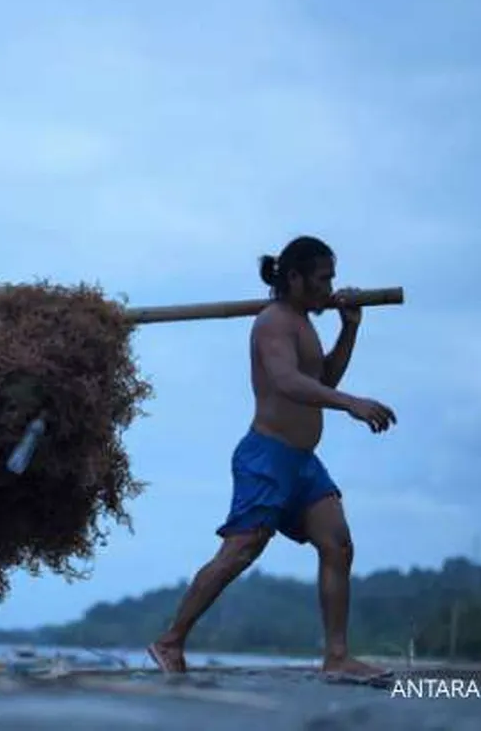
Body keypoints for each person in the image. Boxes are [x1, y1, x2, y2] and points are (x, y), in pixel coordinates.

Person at [148, 236, 397, 679]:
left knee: (337, 545)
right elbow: (286, 381)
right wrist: (352, 403)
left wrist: (351, 327)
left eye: (332, 279)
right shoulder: (272, 323)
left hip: (303, 463)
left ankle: (337, 659)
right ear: (295, 278)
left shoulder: (303, 321)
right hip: (266, 457)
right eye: (323, 279)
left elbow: (323, 378)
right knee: (240, 552)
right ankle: (169, 642)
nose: (330, 288)